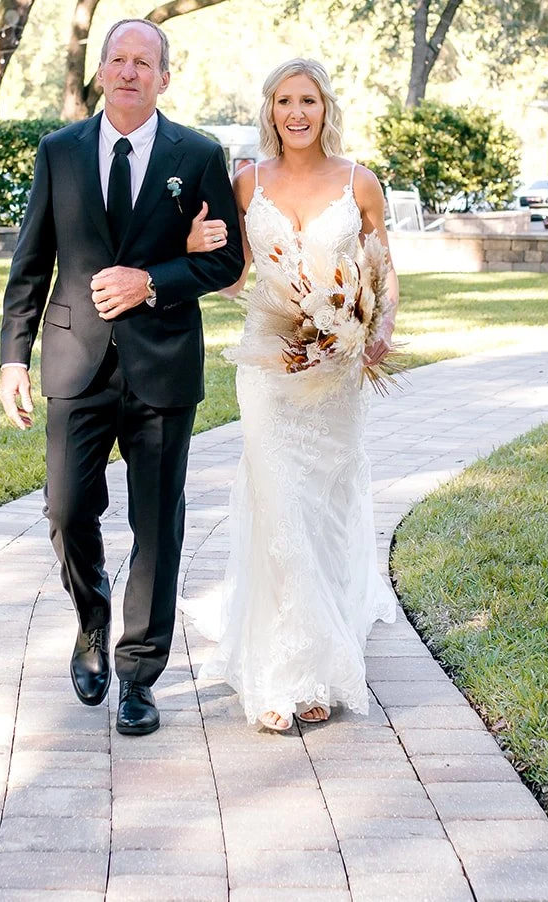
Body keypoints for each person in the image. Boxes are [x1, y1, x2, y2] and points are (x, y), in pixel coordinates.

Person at [0, 18, 244, 737]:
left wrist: (153, 280)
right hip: (75, 361)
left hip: (163, 365)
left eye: (144, 62)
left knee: (158, 526)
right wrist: (14, 357)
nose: (130, 71)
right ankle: (92, 616)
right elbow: (32, 262)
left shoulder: (198, 154)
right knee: (66, 510)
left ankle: (138, 675)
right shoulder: (59, 152)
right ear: (101, 70)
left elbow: (225, 261)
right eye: (118, 59)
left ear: (165, 77)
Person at [183, 57, 400, 731]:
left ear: (325, 107)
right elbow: (231, 276)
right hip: (269, 366)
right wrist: (194, 246)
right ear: (270, 110)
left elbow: (383, 271)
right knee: (279, 508)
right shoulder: (247, 181)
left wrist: (377, 330)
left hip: (334, 373)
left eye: (308, 100)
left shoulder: (360, 182)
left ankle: (321, 664)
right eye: (284, 101)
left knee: (324, 511)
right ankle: (283, 676)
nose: (296, 112)